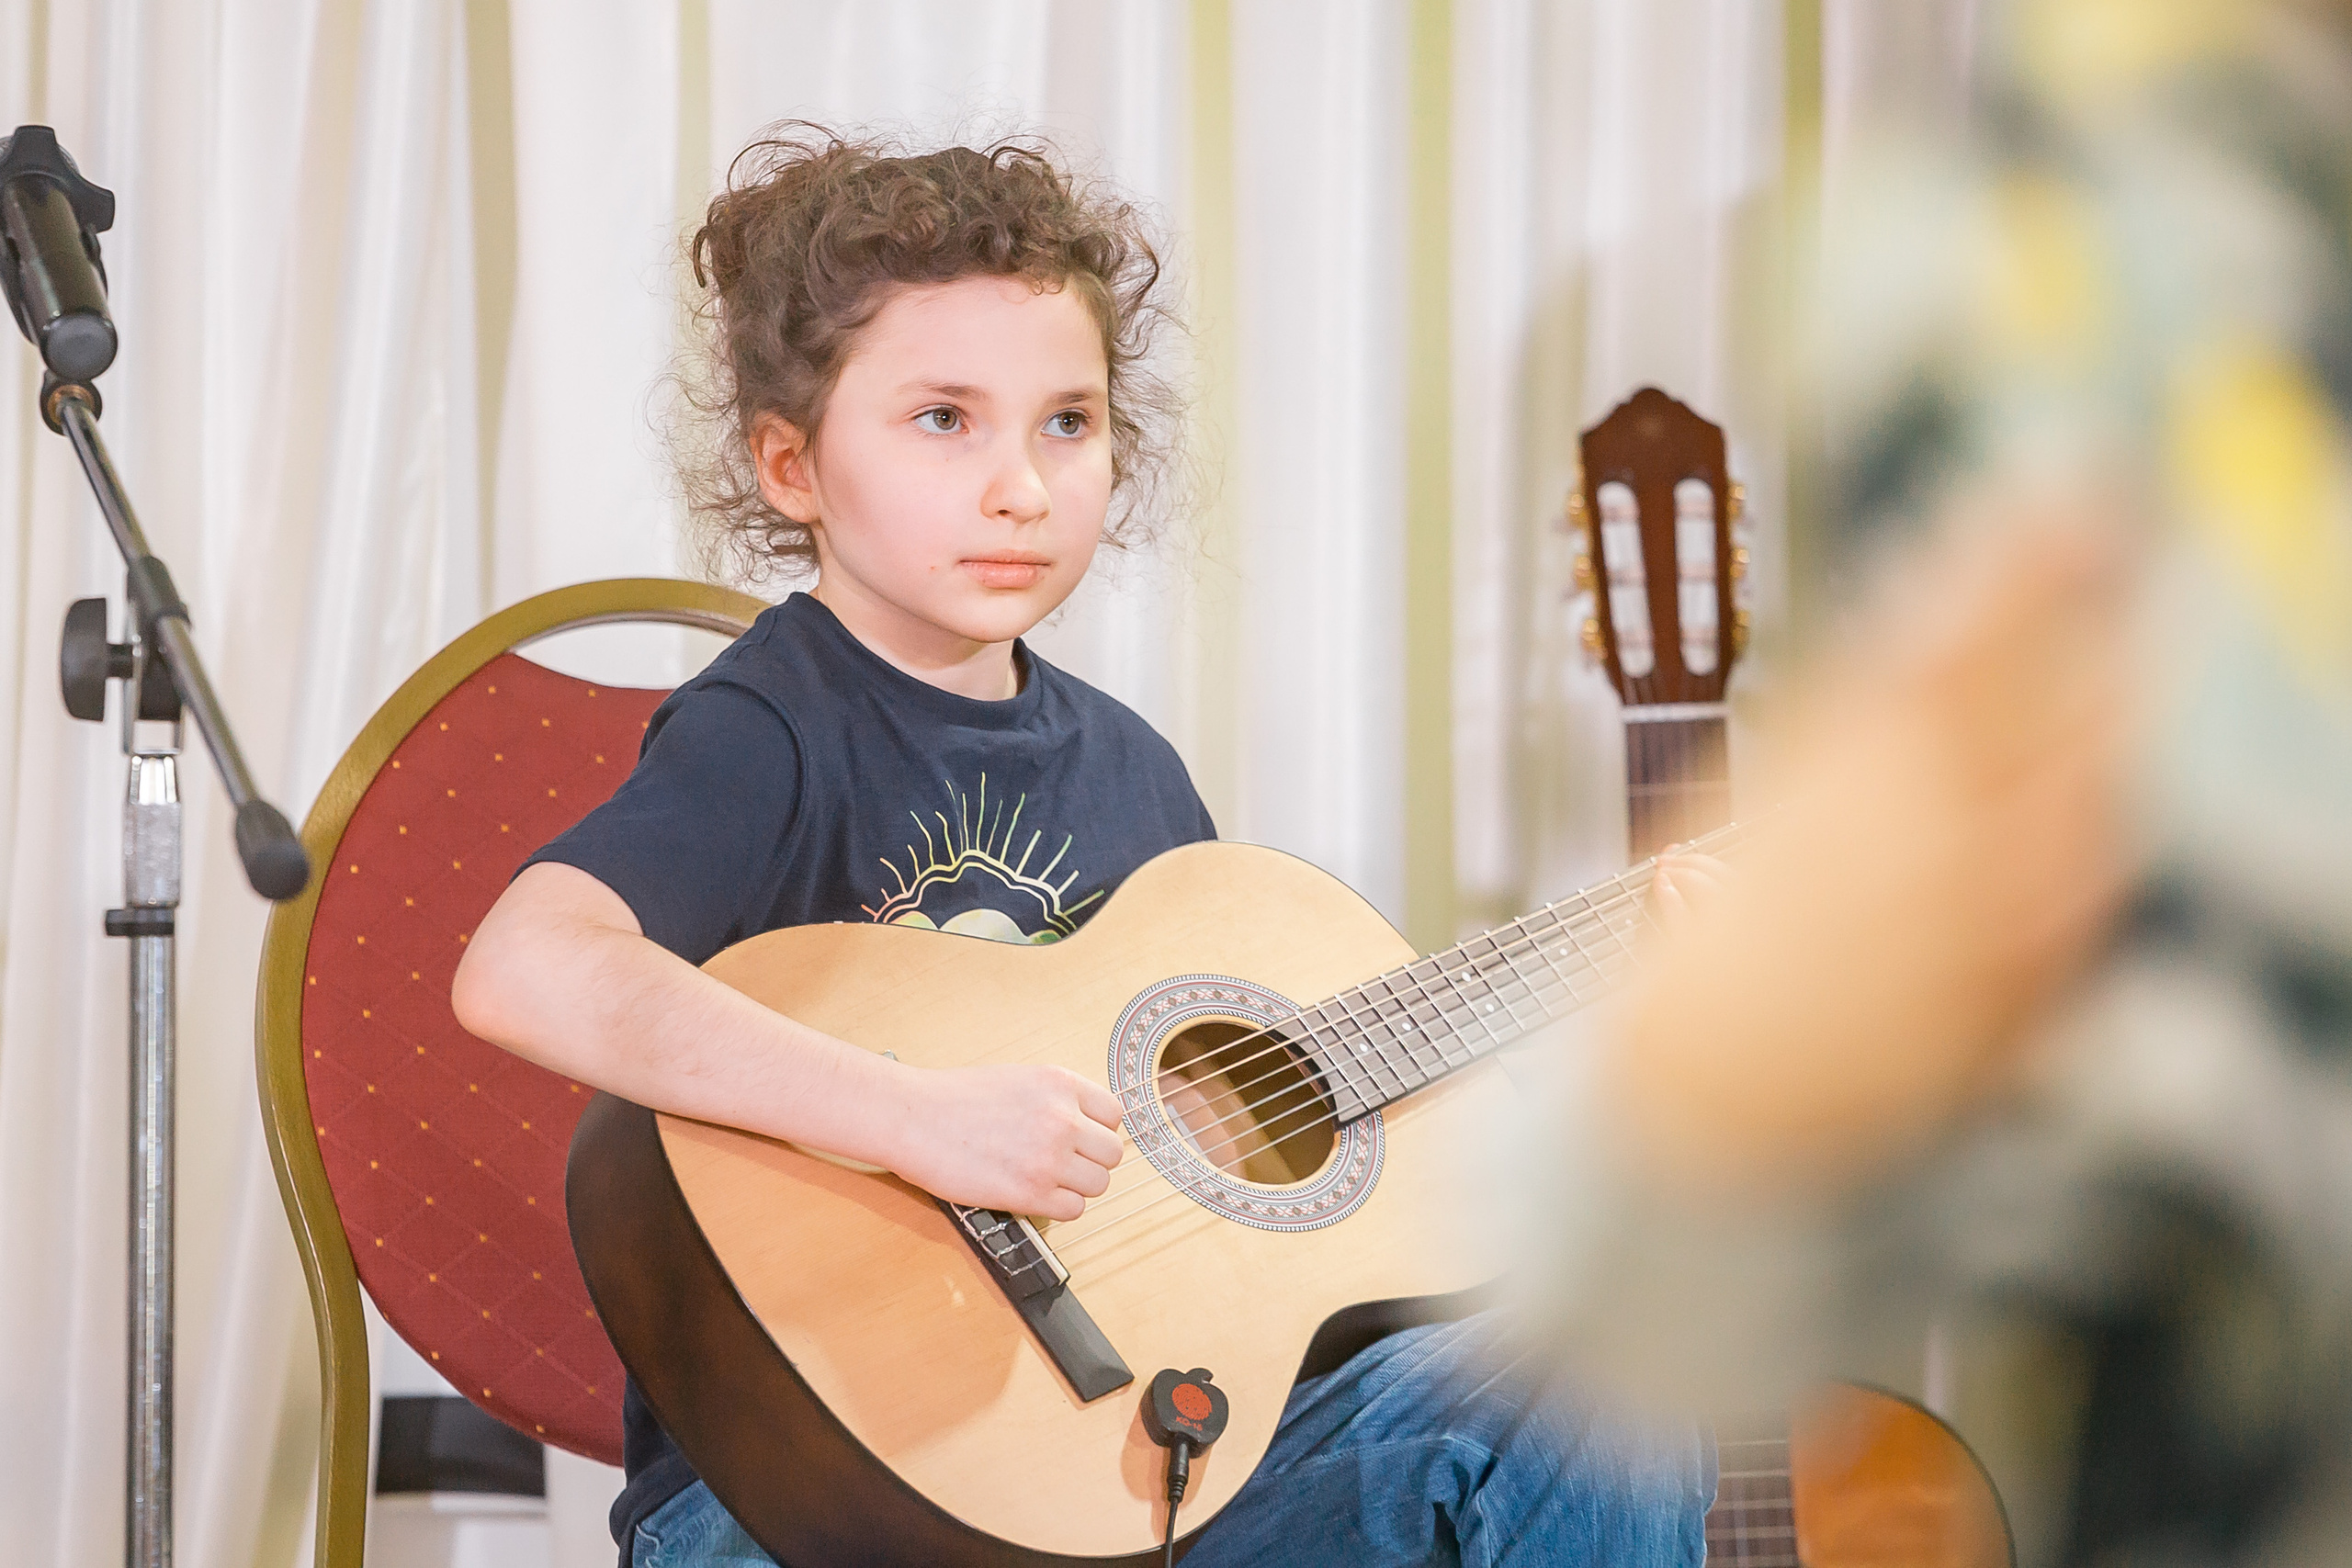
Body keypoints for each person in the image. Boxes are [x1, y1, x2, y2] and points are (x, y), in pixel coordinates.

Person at [451, 127, 1711, 1568]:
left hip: (1123, 1481)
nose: (1023, 486)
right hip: (786, 1501)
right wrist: (917, 1121)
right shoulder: (772, 728)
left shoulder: (1135, 774)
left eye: (1068, 422)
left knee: (1611, 1391)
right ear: (790, 463)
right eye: (944, 420)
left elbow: (1264, 1215)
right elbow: (525, 969)